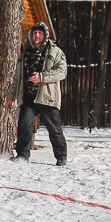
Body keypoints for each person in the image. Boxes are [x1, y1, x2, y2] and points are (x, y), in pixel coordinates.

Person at [7, 22, 68, 166]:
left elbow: (62, 72)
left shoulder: (55, 51)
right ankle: (22, 155)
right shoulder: (25, 53)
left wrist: (42, 77)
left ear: (45, 35)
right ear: (30, 35)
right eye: (35, 33)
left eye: (40, 33)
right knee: (24, 126)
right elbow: (17, 77)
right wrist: (11, 96)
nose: (37, 35)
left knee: (54, 129)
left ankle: (61, 157)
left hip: (47, 97)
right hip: (28, 97)